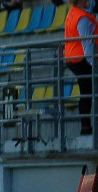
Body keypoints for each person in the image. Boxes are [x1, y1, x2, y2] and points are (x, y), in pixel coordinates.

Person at [64, 0, 97, 136]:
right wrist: (93, 64)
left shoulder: (73, 12)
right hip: (81, 59)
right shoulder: (82, 18)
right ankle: (85, 127)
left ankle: (86, 127)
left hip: (73, 57)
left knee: (86, 92)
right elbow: (87, 44)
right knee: (87, 92)